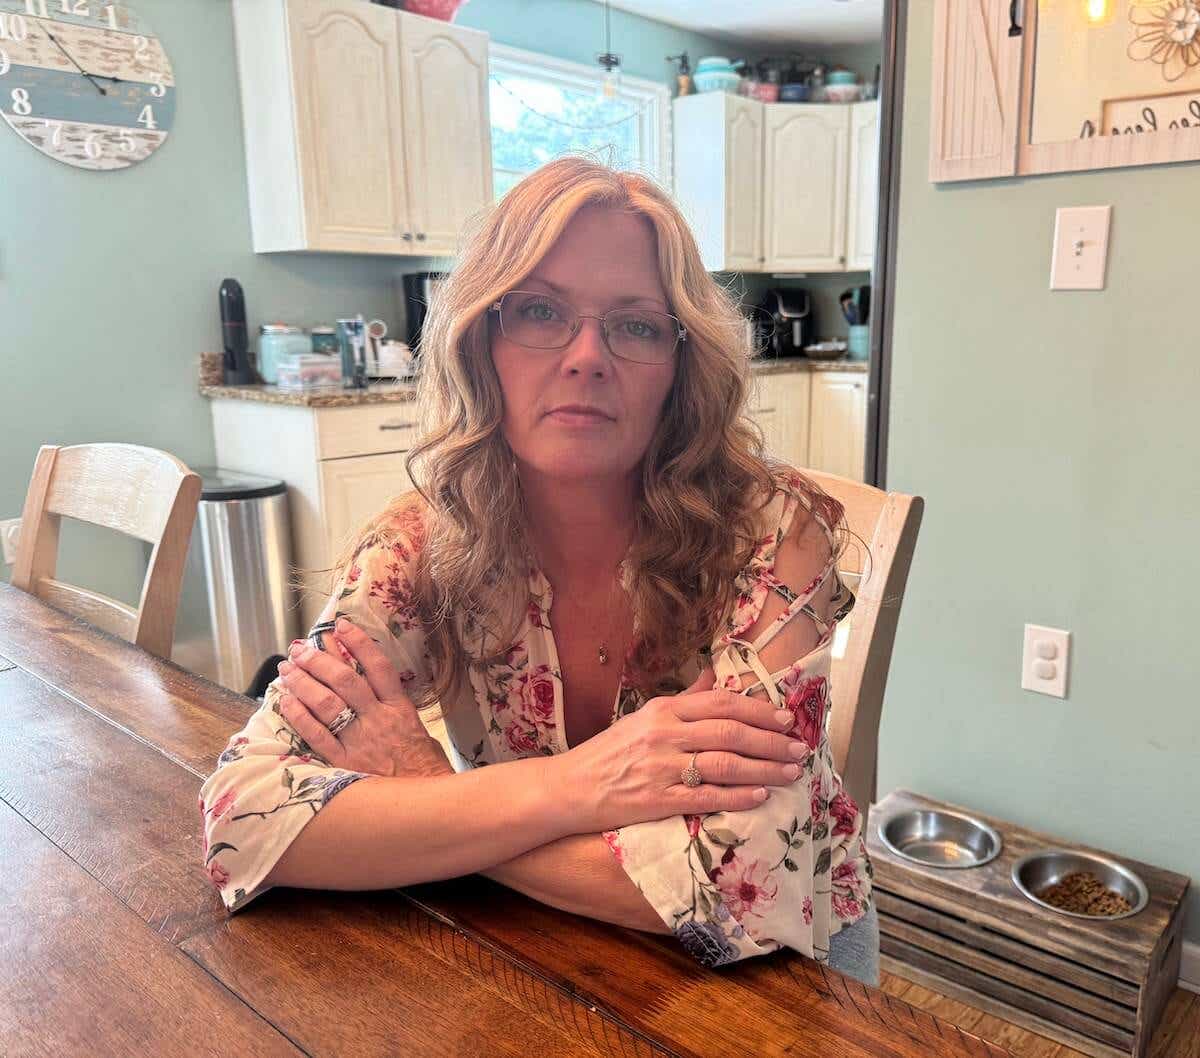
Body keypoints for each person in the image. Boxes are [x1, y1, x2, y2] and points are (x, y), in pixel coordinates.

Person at [198, 156, 877, 984]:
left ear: (679, 367)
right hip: (528, 953)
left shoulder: (773, 538)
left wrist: (420, 785)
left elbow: (741, 893)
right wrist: (578, 787)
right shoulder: (419, 546)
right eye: (540, 311)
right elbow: (243, 818)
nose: (587, 356)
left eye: (634, 325)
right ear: (481, 342)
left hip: (781, 979)